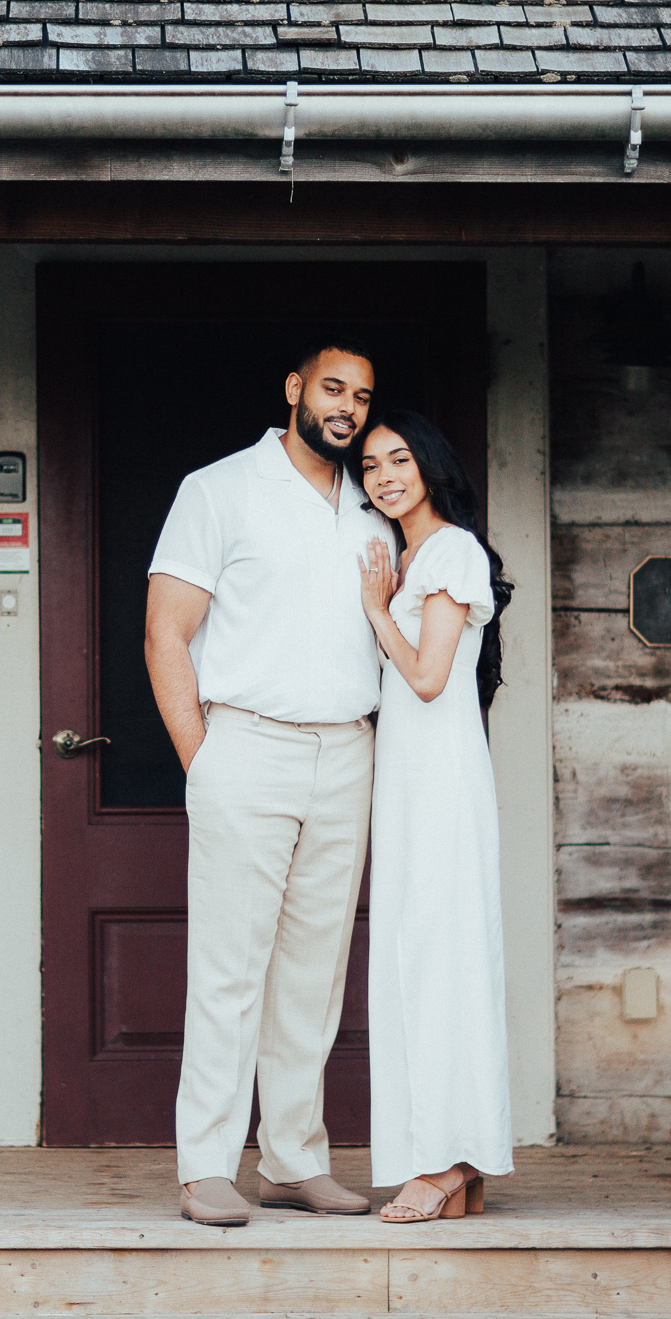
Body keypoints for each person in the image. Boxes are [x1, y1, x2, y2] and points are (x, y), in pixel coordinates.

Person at [145, 337, 395, 1228]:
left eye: (362, 397)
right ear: (294, 387)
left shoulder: (375, 507)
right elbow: (165, 633)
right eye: (333, 388)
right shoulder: (218, 489)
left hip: (347, 750)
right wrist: (201, 756)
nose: (347, 408)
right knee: (228, 967)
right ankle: (207, 1164)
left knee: (314, 972)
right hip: (245, 745)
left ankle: (293, 1159)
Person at [355, 409, 516, 1223]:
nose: (384, 474)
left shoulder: (450, 549)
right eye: (372, 463)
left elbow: (426, 676)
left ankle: (450, 1158)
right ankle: (452, 1162)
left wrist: (379, 608)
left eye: (400, 458)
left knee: (444, 958)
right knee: (414, 958)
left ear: (432, 464)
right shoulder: (410, 553)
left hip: (444, 779)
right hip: (409, 778)